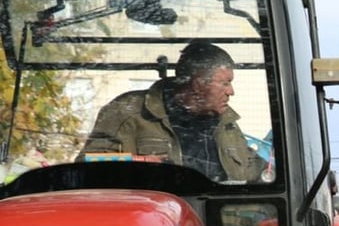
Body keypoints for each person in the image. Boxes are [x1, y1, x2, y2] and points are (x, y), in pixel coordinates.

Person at [80, 40, 266, 182]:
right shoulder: (129, 111)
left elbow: (259, 175)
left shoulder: (226, 124)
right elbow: (85, 169)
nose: (231, 92)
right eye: (225, 83)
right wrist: (138, 164)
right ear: (198, 83)